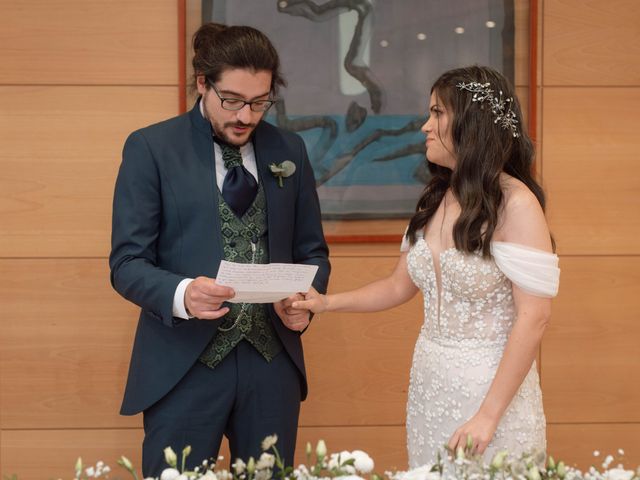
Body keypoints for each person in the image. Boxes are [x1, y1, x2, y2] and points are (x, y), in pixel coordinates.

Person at [294, 65, 559, 467]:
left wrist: (488, 416)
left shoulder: (516, 203)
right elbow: (399, 286)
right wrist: (325, 303)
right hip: (430, 385)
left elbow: (534, 317)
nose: (424, 126)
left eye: (437, 113)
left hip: (492, 391)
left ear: (471, 122)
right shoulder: (434, 199)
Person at [109, 23, 330, 477]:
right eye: (231, 101)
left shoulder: (291, 149)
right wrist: (183, 293)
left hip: (272, 366)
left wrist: (307, 301)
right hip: (184, 364)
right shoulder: (151, 148)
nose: (246, 116)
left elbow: (313, 251)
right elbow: (127, 263)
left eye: (259, 102)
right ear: (202, 84)